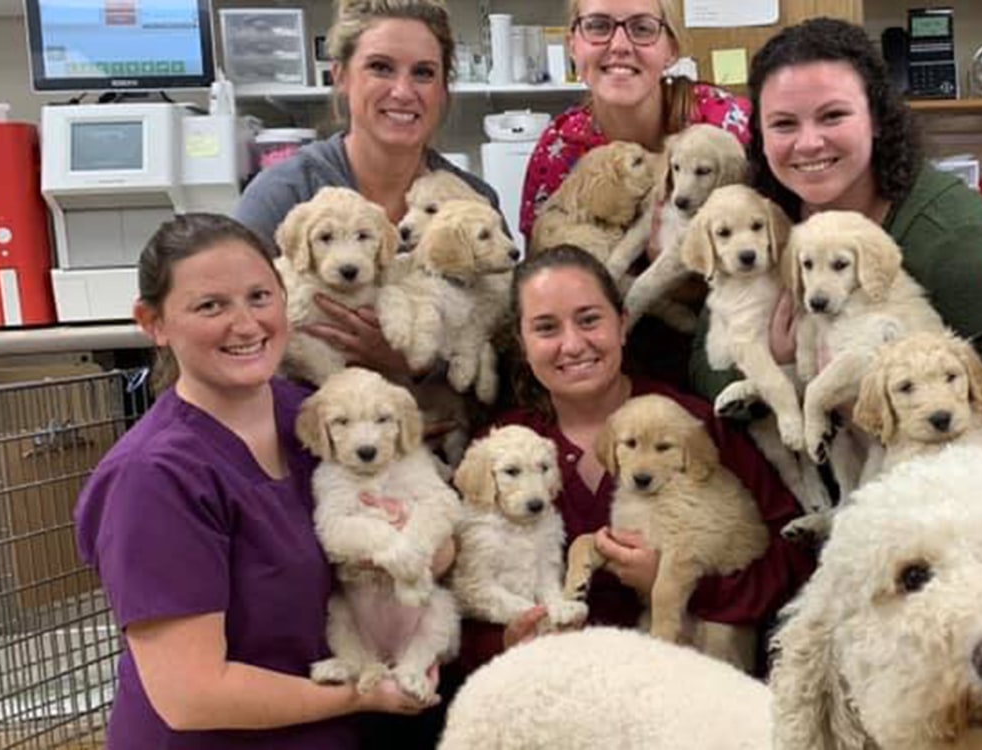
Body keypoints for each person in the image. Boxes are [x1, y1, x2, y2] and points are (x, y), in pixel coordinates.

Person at [73, 214, 436, 749]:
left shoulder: (314, 418)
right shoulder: (153, 478)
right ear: (153, 322)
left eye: (260, 297)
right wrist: (364, 694)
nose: (246, 325)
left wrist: (422, 541)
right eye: (210, 306)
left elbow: (422, 528)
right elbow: (192, 695)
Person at [452, 245, 815, 679]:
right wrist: (507, 641)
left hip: (688, 681)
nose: (572, 345)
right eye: (546, 328)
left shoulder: (691, 424)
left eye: (589, 320)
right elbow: (458, 601)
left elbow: (793, 556)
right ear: (522, 343)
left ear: (622, 324)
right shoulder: (503, 447)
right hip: (556, 694)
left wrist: (681, 584)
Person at [690, 17, 982, 400]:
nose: (808, 143)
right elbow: (702, 366)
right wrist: (769, 369)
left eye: (833, 116)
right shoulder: (760, 220)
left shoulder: (952, 236)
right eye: (783, 124)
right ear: (760, 136)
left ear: (876, 119)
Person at [234, 0, 501, 382]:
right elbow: (236, 337)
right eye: (380, 67)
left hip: (442, 427)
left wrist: (409, 372)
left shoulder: (471, 203)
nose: (403, 91)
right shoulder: (284, 196)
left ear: (443, 88)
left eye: (424, 73)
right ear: (341, 75)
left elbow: (499, 337)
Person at [517, 0, 750, 239]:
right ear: (573, 47)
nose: (620, 46)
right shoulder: (558, 150)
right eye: (598, 26)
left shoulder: (727, 123)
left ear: (671, 49)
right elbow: (542, 267)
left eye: (642, 28)